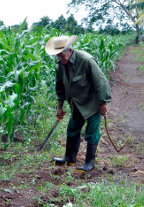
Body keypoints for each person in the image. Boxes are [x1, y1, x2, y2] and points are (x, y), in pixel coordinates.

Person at [47, 35, 111, 172]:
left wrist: (103, 103)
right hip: (76, 103)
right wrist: (59, 107)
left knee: (91, 132)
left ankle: (89, 163)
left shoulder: (86, 60)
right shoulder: (61, 66)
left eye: (60, 55)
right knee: (72, 129)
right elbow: (60, 87)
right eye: (57, 56)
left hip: (93, 103)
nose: (59, 59)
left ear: (69, 51)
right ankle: (69, 158)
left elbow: (101, 82)